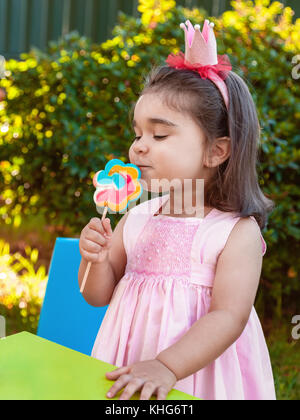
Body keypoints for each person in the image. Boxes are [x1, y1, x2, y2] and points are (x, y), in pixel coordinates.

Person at [78, 19, 276, 400]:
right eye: (137, 133)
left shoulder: (234, 232)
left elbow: (229, 317)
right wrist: (96, 261)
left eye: (160, 134)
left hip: (196, 373)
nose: (138, 147)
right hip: (131, 361)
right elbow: (96, 296)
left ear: (216, 151)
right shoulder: (136, 218)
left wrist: (167, 365)